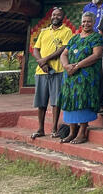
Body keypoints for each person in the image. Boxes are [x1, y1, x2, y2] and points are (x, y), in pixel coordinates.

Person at [59, 12, 103, 144]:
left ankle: (82, 132)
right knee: (71, 101)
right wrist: (66, 65)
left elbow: (96, 55)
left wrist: (78, 66)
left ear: (94, 23)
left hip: (86, 77)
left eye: (89, 21)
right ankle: (72, 132)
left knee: (83, 100)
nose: (86, 24)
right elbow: (64, 54)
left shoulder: (96, 38)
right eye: (84, 21)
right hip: (70, 77)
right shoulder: (74, 38)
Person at [30, 7, 73, 139]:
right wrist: (41, 63)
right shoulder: (43, 31)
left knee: (55, 102)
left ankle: (54, 129)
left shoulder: (67, 31)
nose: (55, 17)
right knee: (41, 102)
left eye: (58, 15)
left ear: (63, 17)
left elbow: (63, 49)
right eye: (53, 15)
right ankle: (40, 129)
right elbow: (36, 49)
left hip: (58, 71)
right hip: (41, 71)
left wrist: (46, 60)